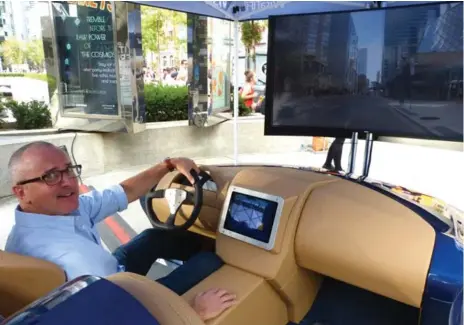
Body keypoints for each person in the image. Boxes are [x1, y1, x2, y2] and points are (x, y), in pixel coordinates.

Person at [5, 141, 236, 321]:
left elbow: (125, 191)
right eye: (51, 176)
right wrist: (191, 311)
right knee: (207, 261)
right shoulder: (69, 258)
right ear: (21, 192)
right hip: (122, 298)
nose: (68, 183)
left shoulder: (57, 211)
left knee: (151, 237)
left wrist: (168, 165)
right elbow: (115, 317)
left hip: (108, 276)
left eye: (69, 170)